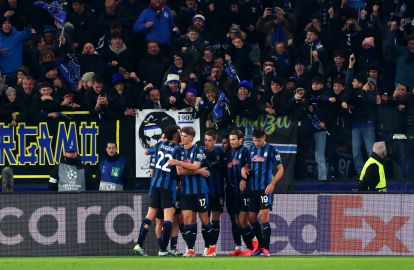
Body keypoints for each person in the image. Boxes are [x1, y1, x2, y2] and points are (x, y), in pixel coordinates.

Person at [133, 125, 182, 256]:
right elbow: (179, 171)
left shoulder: (160, 144)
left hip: (155, 185)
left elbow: (147, 151)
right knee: (168, 219)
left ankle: (139, 244)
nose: (180, 135)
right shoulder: (177, 149)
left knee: (150, 216)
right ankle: (163, 250)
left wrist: (150, 151)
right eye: (179, 133)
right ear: (175, 135)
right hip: (167, 186)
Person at [167, 126, 212, 257]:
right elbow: (180, 171)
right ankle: (191, 249)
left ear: (192, 138)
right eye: (182, 135)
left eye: (185, 136)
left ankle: (209, 247)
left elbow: (195, 165)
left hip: (200, 190)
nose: (182, 137)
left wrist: (181, 163)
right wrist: (198, 171)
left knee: (205, 220)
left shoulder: (198, 150)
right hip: (186, 190)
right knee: (187, 219)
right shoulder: (179, 151)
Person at [241, 128, 284, 256]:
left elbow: (281, 169)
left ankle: (266, 248)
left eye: (258, 140)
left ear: (264, 137)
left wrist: (272, 183)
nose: (256, 143)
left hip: (265, 189)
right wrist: (244, 170)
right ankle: (260, 246)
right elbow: (247, 166)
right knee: (252, 218)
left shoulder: (272, 150)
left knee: (264, 216)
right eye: (254, 140)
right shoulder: (251, 149)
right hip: (253, 189)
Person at [226, 129, 257, 256]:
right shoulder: (230, 153)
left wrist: (245, 178)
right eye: (230, 139)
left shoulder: (245, 151)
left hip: (243, 192)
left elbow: (251, 167)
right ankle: (239, 248)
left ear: (241, 140)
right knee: (235, 221)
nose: (231, 142)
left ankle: (253, 244)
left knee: (243, 221)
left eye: (234, 139)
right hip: (231, 191)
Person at [200, 130, 225, 256]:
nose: (207, 143)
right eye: (206, 140)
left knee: (215, 220)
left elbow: (225, 170)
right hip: (204, 191)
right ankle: (206, 246)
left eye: (210, 140)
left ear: (215, 141)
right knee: (205, 221)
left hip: (218, 191)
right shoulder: (200, 152)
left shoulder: (220, 152)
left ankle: (212, 247)